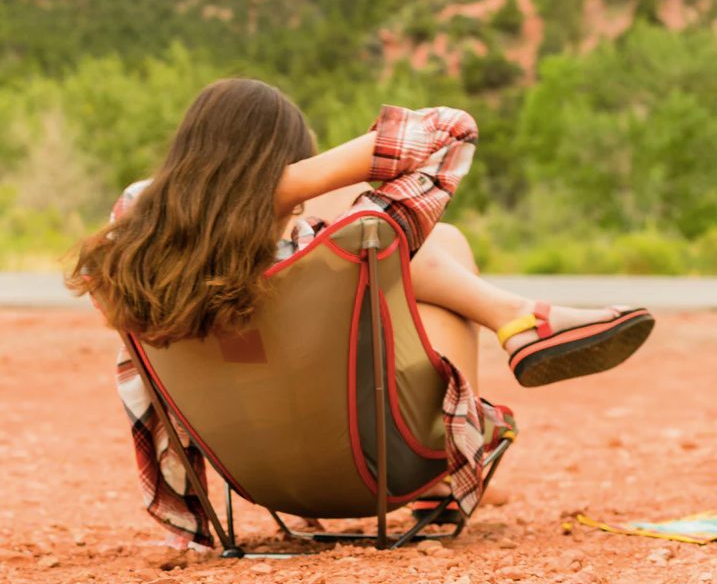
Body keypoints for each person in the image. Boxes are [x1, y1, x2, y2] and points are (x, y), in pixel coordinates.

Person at [67, 79, 654, 547]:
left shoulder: (134, 235)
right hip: (376, 464)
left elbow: (174, 200)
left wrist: (250, 196)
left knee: (411, 245)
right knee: (431, 243)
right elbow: (452, 128)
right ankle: (516, 328)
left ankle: (520, 318)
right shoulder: (303, 250)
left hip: (254, 472)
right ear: (282, 166)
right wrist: (289, 185)